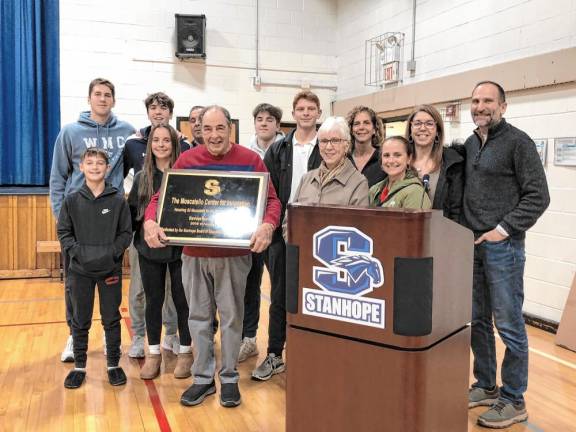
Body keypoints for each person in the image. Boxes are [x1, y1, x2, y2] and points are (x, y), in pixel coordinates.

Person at [143, 105, 281, 408]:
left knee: (232, 318)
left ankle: (229, 377)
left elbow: (272, 200)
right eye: (208, 129)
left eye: (220, 128)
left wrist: (269, 225)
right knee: (198, 318)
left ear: (229, 128)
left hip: (234, 256)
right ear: (199, 131)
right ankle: (203, 378)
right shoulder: (187, 160)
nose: (215, 135)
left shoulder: (250, 160)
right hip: (193, 255)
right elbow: (158, 199)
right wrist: (151, 220)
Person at [464, 81, 549, 429]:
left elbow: (538, 196)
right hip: (473, 247)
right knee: (478, 320)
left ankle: (514, 399)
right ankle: (486, 384)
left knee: (510, 324)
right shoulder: (471, 143)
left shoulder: (518, 142)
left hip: (504, 248)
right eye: (475, 101)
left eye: (488, 101)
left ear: (503, 105)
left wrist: (503, 229)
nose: (480, 106)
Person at [49, 77, 135, 363]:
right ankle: (75, 336)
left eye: (107, 94)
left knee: (111, 288)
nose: (102, 99)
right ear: (89, 99)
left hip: (110, 222)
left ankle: (114, 346)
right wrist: (62, 217)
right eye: (97, 94)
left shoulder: (127, 132)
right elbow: (58, 177)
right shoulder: (70, 132)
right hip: (78, 221)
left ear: (114, 99)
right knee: (75, 287)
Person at [256, 90, 323, 381]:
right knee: (280, 292)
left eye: (311, 108)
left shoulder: (328, 146)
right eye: (301, 108)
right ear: (293, 114)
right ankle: (274, 354)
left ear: (318, 113)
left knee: (315, 294)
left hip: (318, 232)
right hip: (283, 231)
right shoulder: (279, 148)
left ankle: (311, 353)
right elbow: (268, 193)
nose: (306, 113)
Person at [57, 148, 132, 389]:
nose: (95, 167)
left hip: (109, 270)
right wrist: (79, 253)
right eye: (90, 163)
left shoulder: (118, 200)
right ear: (81, 167)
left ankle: (113, 364)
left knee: (111, 318)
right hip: (80, 271)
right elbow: (64, 233)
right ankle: (79, 365)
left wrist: (111, 253)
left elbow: (125, 234)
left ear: (107, 168)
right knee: (80, 319)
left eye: (100, 163)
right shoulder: (71, 200)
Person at [123, 92, 190, 359]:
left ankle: (175, 339)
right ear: (149, 145)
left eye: (166, 141)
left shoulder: (183, 176)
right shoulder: (141, 176)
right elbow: (130, 214)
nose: (161, 145)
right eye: (156, 141)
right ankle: (143, 340)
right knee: (146, 294)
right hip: (147, 248)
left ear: (174, 144)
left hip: (178, 249)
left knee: (178, 298)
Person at [238, 103, 285, 363]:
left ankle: (279, 345)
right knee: (251, 285)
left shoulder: (286, 150)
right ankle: (249, 339)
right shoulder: (245, 152)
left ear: (278, 125)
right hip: (252, 228)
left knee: (280, 289)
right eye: (260, 119)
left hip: (280, 227)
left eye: (270, 119)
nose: (264, 123)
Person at [290, 116, 368, 208]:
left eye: (335, 140)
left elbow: (359, 222)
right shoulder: (306, 179)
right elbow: (290, 219)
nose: (328, 147)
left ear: (346, 145)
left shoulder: (358, 183)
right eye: (324, 141)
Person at [405, 104, 464, 222]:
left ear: (437, 131)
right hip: (404, 232)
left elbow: (456, 210)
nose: (422, 128)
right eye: (417, 123)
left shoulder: (452, 163)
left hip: (440, 234)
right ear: (410, 129)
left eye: (429, 123)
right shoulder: (399, 161)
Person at [369, 136, 431, 209]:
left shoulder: (416, 193)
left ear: (409, 159)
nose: (391, 161)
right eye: (386, 155)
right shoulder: (374, 190)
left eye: (397, 155)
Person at [346, 105, 386, 187]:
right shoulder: (344, 160)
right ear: (351, 130)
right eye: (357, 124)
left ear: (375, 129)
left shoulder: (384, 158)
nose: (361, 127)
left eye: (366, 123)